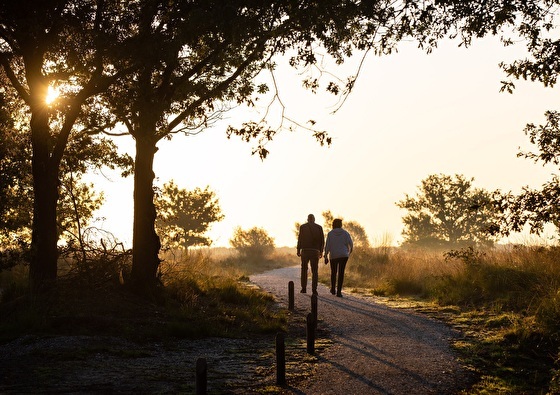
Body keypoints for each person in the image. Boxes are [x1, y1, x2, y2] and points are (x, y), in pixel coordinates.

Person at [324, 218, 353, 297]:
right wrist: (348, 253)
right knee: (341, 273)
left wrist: (325, 256)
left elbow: (327, 246)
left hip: (333, 255)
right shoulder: (346, 233)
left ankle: (333, 289)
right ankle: (339, 292)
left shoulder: (330, 234)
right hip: (344, 255)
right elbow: (351, 244)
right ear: (341, 225)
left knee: (333, 272)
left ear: (333, 224)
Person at [296, 214, 324, 295]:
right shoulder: (319, 227)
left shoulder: (303, 227)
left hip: (305, 251)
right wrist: (321, 251)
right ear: (314, 219)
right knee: (315, 271)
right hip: (315, 251)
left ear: (307, 219)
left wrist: (298, 249)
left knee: (304, 269)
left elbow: (300, 239)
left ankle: (303, 288)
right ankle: (314, 290)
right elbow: (322, 240)